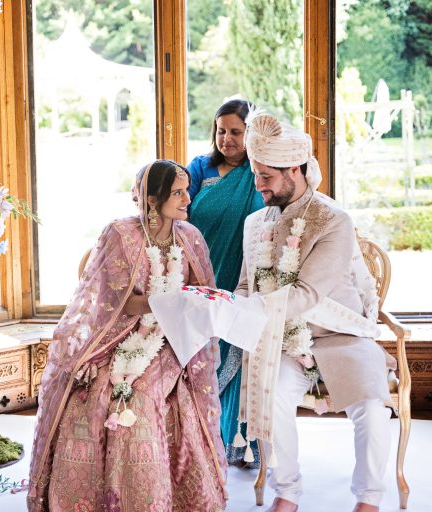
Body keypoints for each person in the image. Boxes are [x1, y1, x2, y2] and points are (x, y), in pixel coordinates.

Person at [28, 160, 228, 512]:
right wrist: (170, 301)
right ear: (152, 199)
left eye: (186, 191)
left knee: (144, 394)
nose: (187, 199)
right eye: (178, 193)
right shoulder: (121, 234)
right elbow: (117, 303)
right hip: (119, 334)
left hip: (174, 339)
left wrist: (195, 304)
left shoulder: (190, 236)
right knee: (103, 392)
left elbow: (203, 291)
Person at [234, 113, 391, 512]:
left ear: (294, 170)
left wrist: (248, 310)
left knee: (372, 408)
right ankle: (287, 492)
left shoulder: (332, 219)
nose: (258, 185)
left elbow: (306, 294)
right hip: (282, 340)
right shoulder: (254, 223)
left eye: (266, 176)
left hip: (341, 335)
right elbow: (244, 286)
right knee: (272, 398)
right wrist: (230, 309)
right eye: (256, 174)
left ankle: (369, 500)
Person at [187, 99, 265, 467]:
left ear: (251, 134)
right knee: (199, 357)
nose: (227, 139)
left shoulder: (261, 173)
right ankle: (198, 441)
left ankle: (237, 443)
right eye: (221, 130)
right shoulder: (201, 168)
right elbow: (177, 211)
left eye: (236, 131)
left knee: (238, 357)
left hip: (244, 280)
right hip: (200, 278)